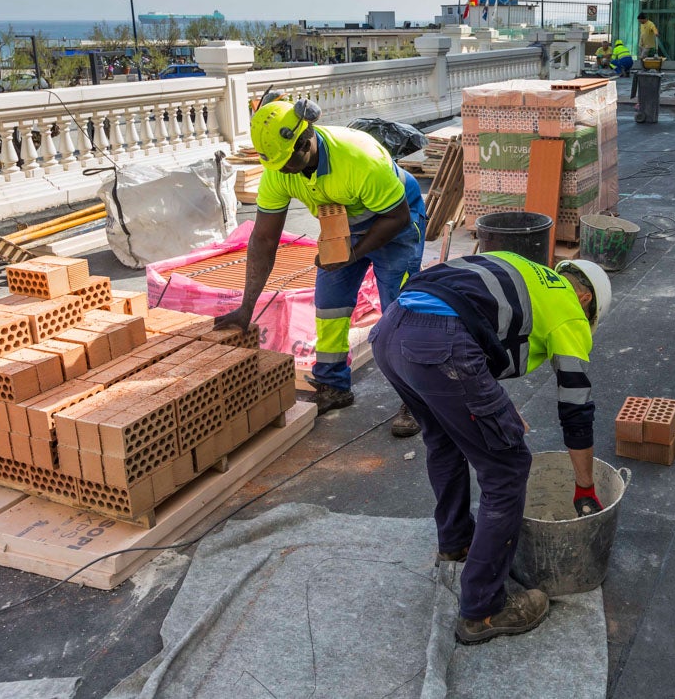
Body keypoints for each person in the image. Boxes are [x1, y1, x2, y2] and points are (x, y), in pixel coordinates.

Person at [369, 251, 611, 644]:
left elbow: (469, 316)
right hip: (439, 343)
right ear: (587, 300)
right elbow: (576, 405)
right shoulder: (569, 307)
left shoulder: (525, 268)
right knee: (508, 467)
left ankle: (456, 542)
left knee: (444, 440)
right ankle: (483, 608)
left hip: (391, 330)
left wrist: (489, 397)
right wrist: (584, 487)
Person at [214, 97, 427, 437]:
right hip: (342, 224)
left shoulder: (359, 156)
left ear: (305, 139)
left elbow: (397, 217)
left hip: (396, 220)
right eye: (277, 165)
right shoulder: (278, 170)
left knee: (399, 315)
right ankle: (334, 386)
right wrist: (246, 306)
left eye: (287, 162)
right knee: (329, 304)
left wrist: (354, 254)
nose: (282, 171)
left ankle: (418, 399)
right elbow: (264, 240)